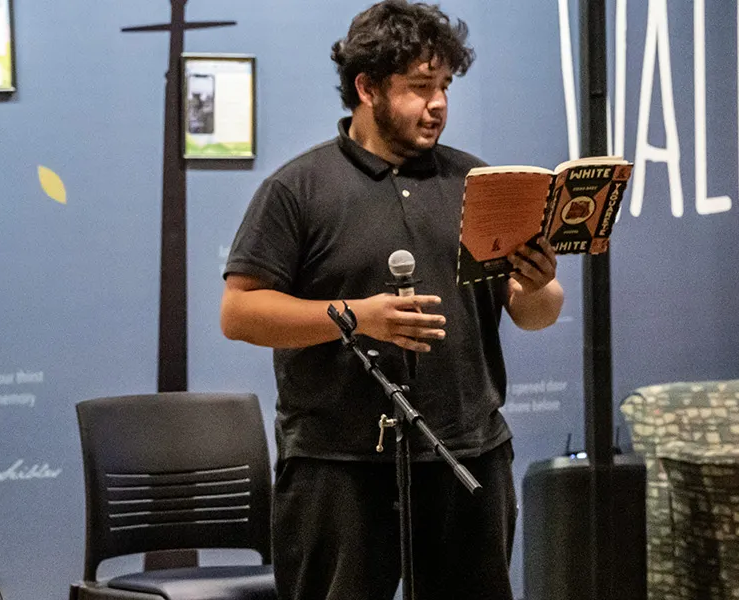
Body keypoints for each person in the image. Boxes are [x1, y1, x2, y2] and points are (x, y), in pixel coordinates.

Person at [218, 2, 564, 599]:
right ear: (367, 87)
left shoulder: (476, 184)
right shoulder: (298, 189)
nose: (438, 105)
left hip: (468, 456)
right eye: (419, 87)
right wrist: (358, 317)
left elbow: (534, 313)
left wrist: (537, 285)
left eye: (445, 87)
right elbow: (240, 312)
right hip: (339, 467)